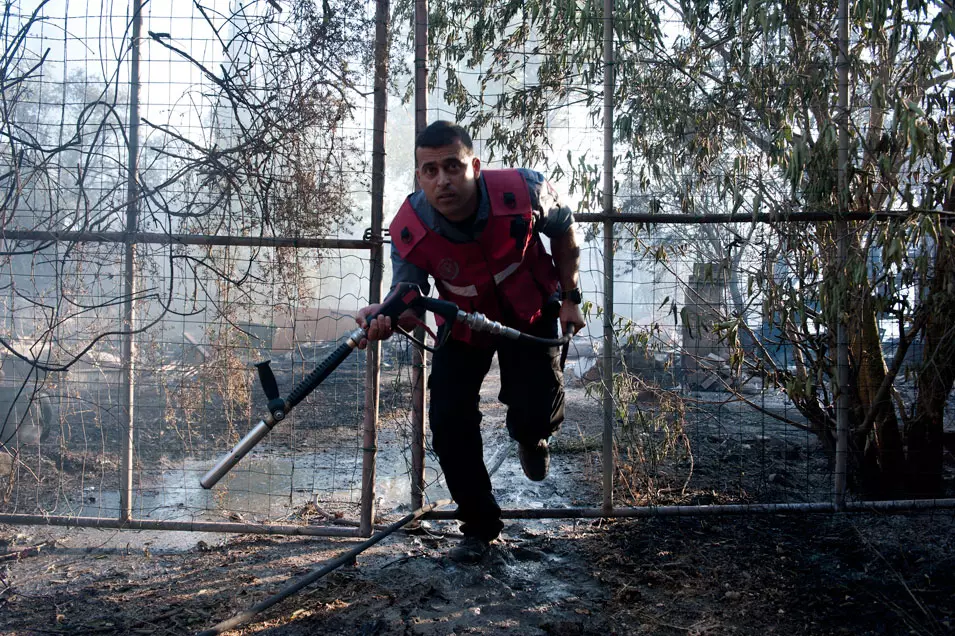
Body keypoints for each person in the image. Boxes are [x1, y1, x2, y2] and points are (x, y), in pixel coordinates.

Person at [356, 121, 585, 564]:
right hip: (464, 320)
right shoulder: (408, 228)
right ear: (420, 176)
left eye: (452, 167)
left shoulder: (526, 190)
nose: (442, 180)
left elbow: (565, 229)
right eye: (429, 170)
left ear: (474, 166)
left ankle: (531, 437)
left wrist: (571, 298)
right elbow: (408, 294)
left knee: (537, 410)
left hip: (530, 309)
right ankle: (480, 529)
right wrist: (383, 316)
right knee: (447, 417)